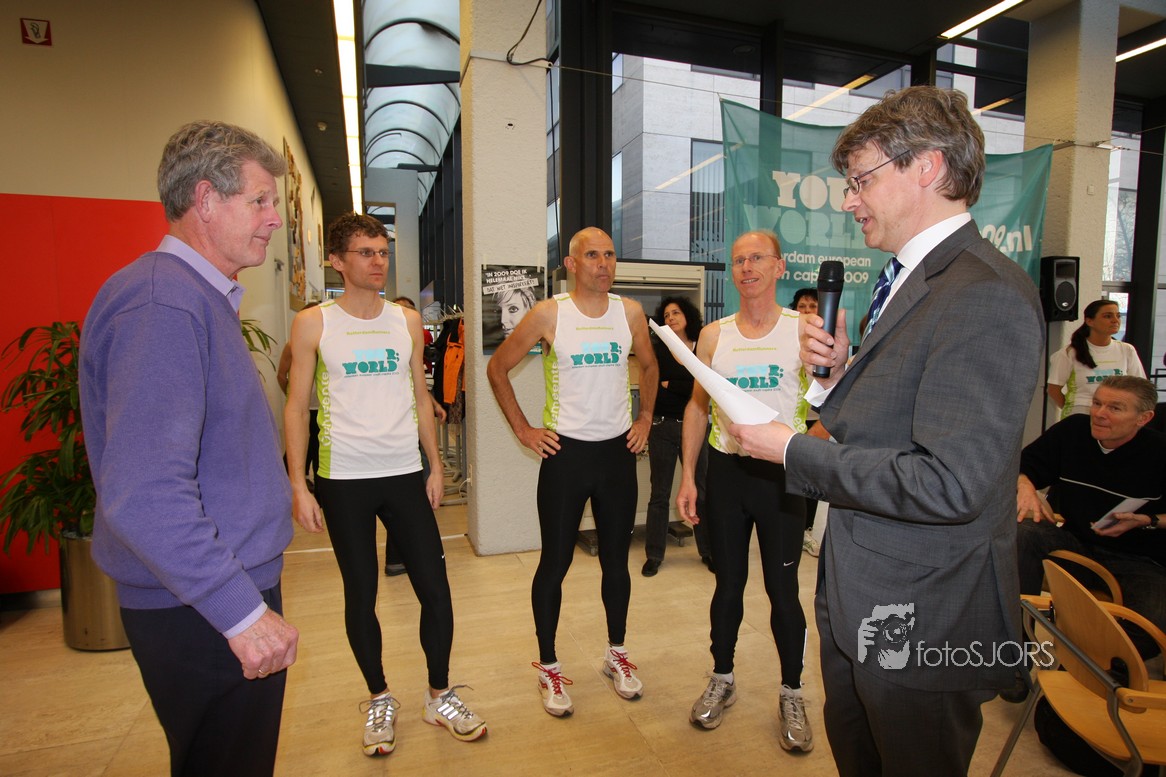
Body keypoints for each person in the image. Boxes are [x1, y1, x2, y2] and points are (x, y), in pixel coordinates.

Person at [727, 86, 1045, 776]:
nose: (849, 201)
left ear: (927, 166)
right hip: (860, 587)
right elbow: (894, 423)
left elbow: (951, 482)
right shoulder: (908, 279)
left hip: (925, 609)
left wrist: (792, 449)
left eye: (861, 180)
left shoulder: (984, 293)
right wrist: (838, 377)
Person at [79, 120, 299, 777]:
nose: (273, 219)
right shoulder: (164, 304)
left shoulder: (194, 297)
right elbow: (144, 493)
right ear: (205, 199)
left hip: (210, 592)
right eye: (259, 201)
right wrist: (242, 613)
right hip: (201, 605)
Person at [284, 213, 486, 756]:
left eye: (382, 252)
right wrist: (299, 485)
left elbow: (421, 396)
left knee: (435, 589)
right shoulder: (313, 324)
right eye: (366, 252)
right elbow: (297, 407)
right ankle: (378, 697)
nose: (378, 262)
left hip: (403, 473)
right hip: (343, 478)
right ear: (337, 260)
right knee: (361, 593)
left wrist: (434, 464)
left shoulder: (405, 320)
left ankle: (439, 694)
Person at [486, 226, 658, 717]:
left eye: (610, 255)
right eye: (593, 255)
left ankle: (617, 652)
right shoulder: (549, 313)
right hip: (566, 458)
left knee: (616, 563)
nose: (603, 264)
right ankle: (549, 664)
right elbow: (497, 368)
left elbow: (649, 366)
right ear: (571, 263)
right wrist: (524, 429)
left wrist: (645, 417)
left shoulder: (629, 312)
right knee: (555, 563)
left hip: (616, 457)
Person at [676, 230, 814, 750]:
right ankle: (723, 677)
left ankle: (793, 691)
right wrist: (689, 476)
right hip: (728, 475)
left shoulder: (805, 330)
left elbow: (835, 402)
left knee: (783, 590)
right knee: (727, 584)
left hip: (781, 478)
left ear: (780, 266)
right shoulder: (714, 336)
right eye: (738, 260)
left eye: (757, 258)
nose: (747, 267)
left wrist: (810, 453)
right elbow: (697, 407)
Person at [1016, 376, 1165, 657]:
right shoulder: (1073, 431)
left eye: (1114, 408)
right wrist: (1025, 487)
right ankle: (1016, 650)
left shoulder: (1159, 451)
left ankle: (1089, 671)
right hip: (1077, 544)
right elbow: (1022, 465)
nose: (1099, 413)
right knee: (1024, 531)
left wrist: (1149, 520)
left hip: (1139, 560)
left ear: (1143, 418)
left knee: (1150, 631)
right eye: (1097, 403)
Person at [642, 295, 712, 577]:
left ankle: (708, 551)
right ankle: (654, 555)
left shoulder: (702, 346)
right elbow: (656, 386)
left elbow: (706, 387)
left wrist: (673, 384)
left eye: (676, 313)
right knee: (659, 493)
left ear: (688, 317)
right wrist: (686, 386)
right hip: (662, 426)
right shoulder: (658, 349)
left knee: (702, 491)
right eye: (666, 315)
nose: (670, 318)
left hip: (695, 429)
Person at [383, 295, 445, 577]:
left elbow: (417, 388)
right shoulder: (386, 345)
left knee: (414, 495)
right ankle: (402, 557)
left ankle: (401, 557)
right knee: (406, 501)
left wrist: (433, 404)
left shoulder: (409, 344)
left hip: (414, 430)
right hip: (396, 436)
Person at [1048, 298, 1145, 420]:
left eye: (1118, 316)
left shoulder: (1127, 350)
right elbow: (1053, 389)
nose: (1115, 320)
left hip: (1114, 416)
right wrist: (1073, 408)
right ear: (1089, 321)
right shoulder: (1069, 353)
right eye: (1108, 316)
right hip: (1080, 415)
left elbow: (1139, 385)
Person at [791, 287, 821, 556]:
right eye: (802, 306)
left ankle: (806, 531)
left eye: (813, 306)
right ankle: (790, 528)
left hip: (817, 420)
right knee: (790, 478)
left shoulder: (828, 340)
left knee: (812, 478)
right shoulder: (788, 339)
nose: (808, 311)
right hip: (791, 421)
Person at [277, 301, 321, 483]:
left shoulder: (327, 344)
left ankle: (320, 492)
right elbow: (281, 375)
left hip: (323, 409)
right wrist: (293, 397)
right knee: (299, 449)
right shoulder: (292, 345)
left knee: (319, 451)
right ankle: (291, 486)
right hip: (303, 408)